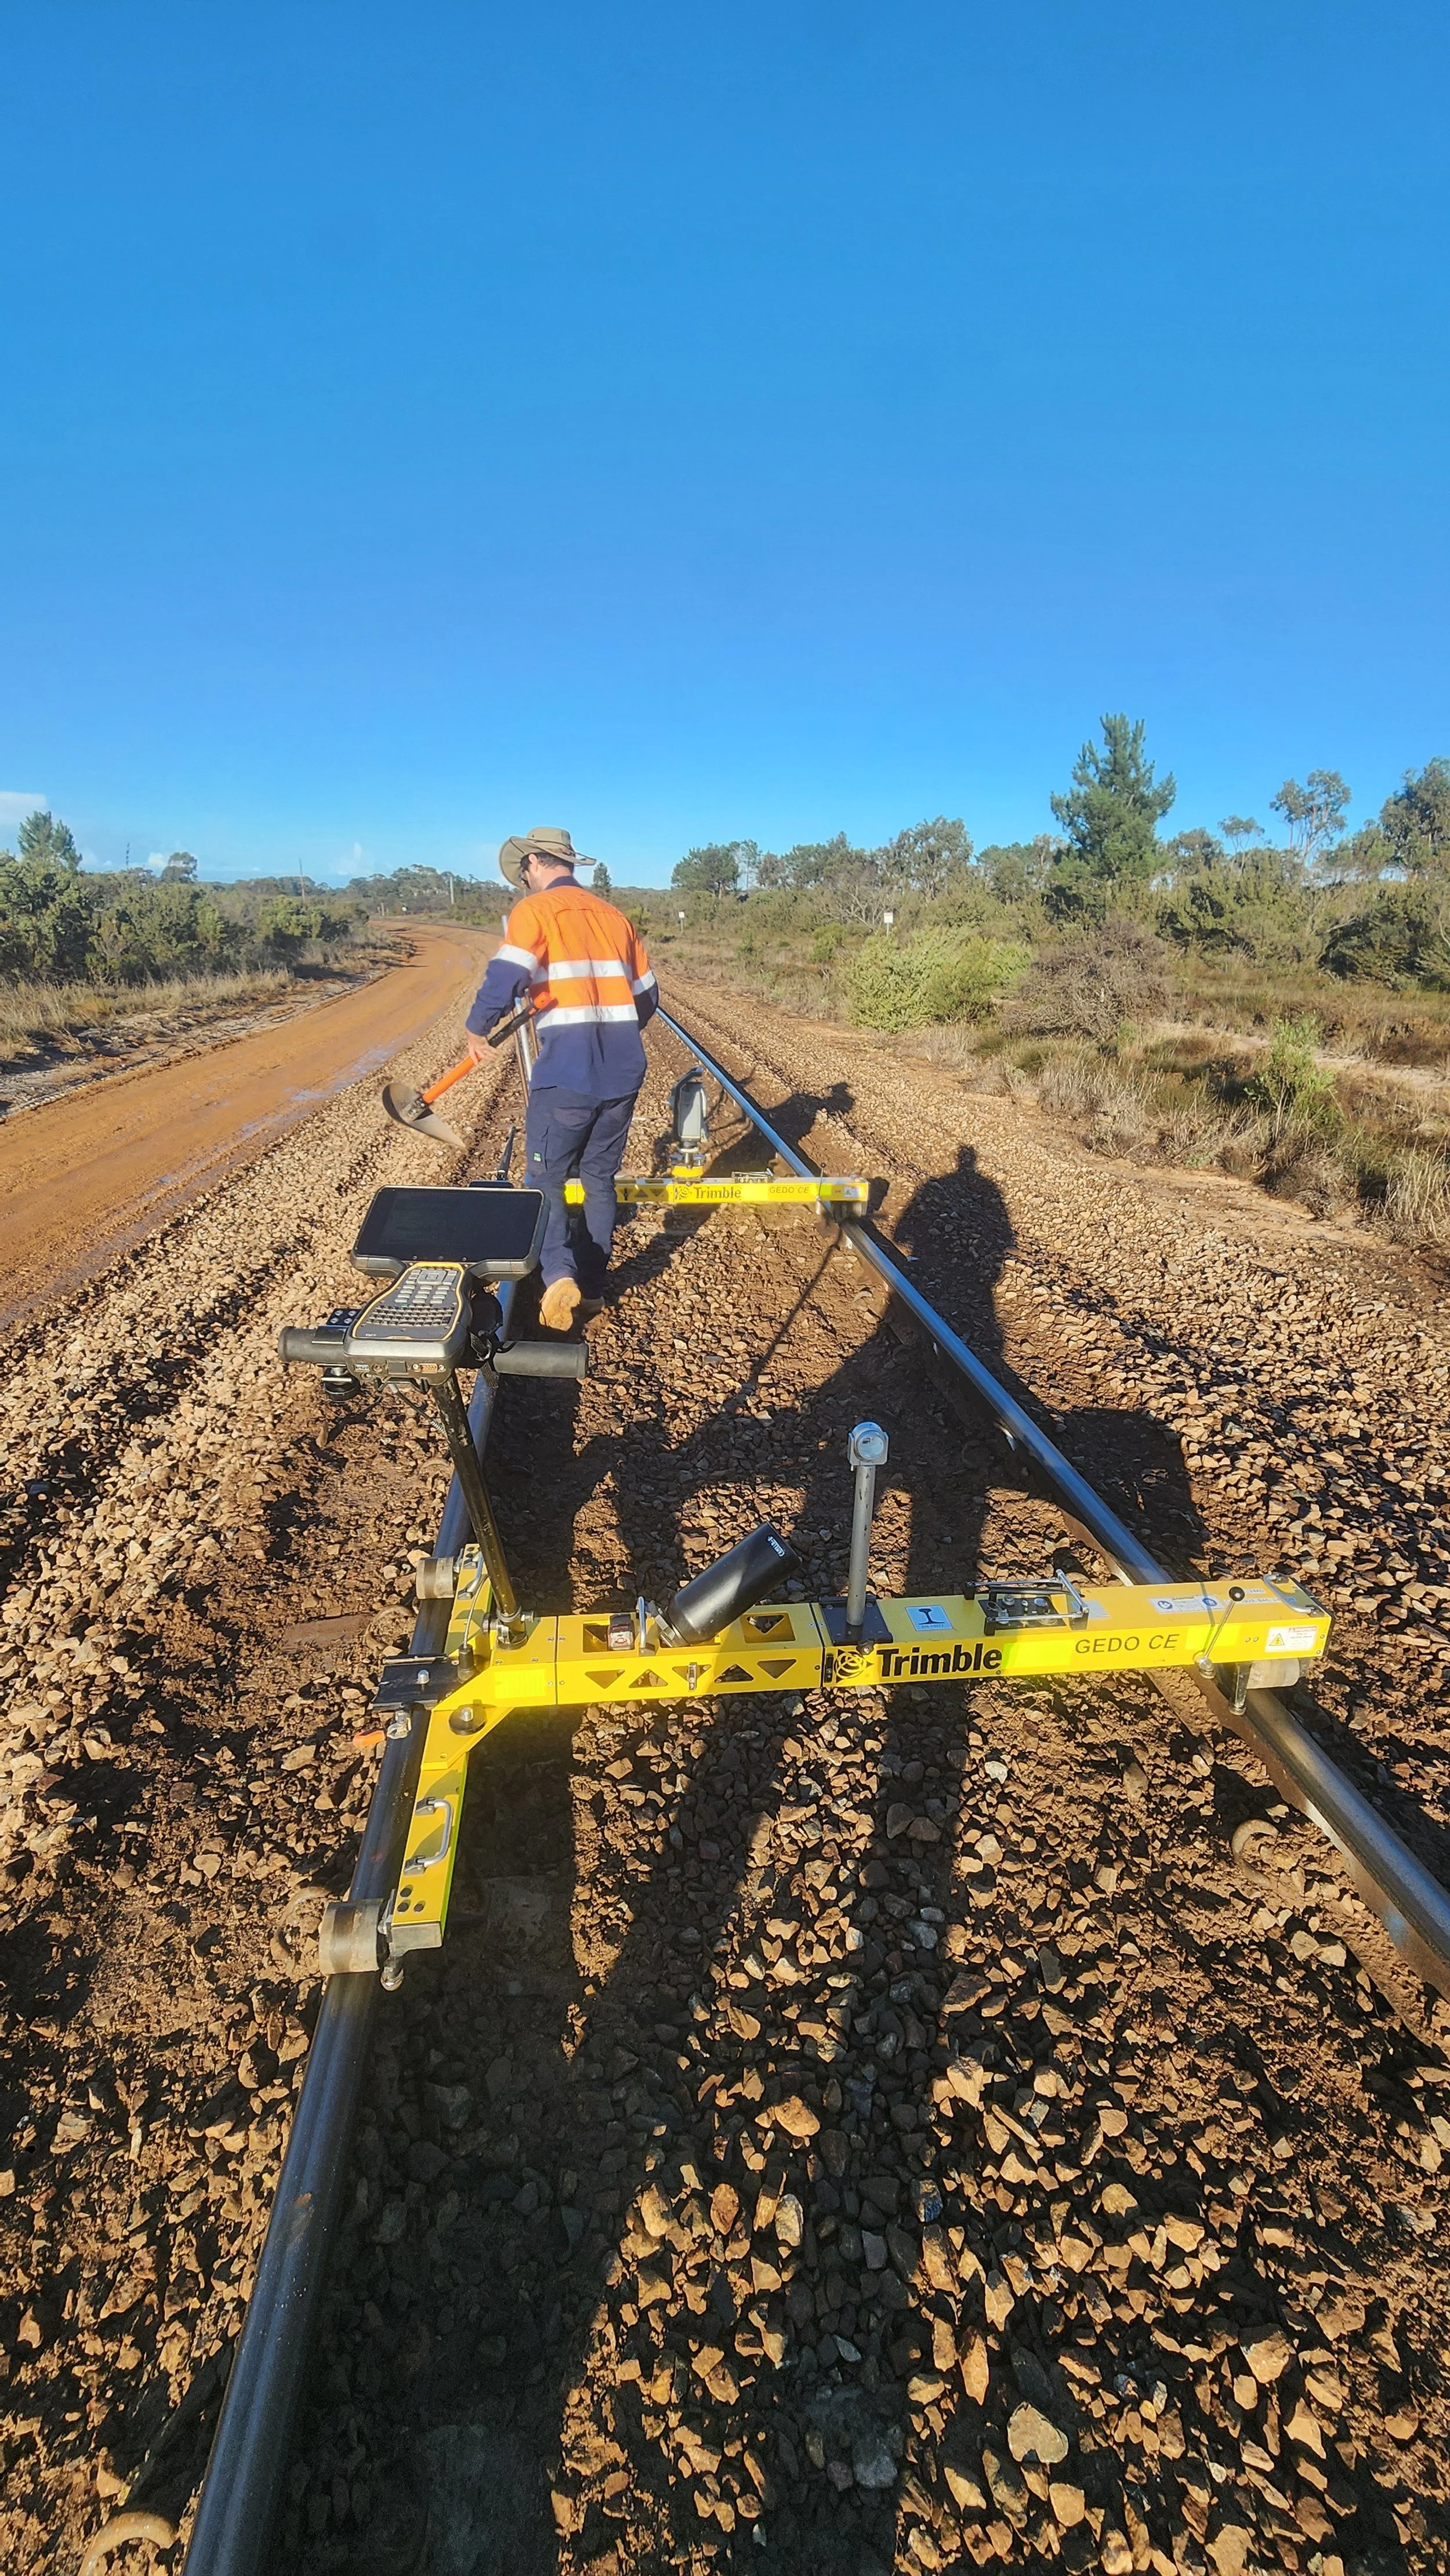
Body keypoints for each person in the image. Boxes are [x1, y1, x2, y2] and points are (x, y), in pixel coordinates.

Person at [465, 826, 657, 1331]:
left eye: (522, 871)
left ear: (533, 862)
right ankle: (593, 1287)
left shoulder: (534, 912)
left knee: (545, 1178)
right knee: (598, 1180)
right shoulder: (618, 918)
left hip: (567, 1073)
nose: (523, 880)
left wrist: (476, 1028)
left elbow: (504, 978)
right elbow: (647, 1000)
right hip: (623, 1071)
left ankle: (559, 1277)